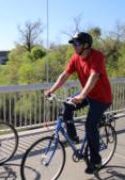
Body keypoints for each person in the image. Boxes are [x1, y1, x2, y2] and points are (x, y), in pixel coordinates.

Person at [45, 32, 112, 174]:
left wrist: (82, 95)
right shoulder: (76, 58)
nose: (74, 47)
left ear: (86, 45)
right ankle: (74, 137)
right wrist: (51, 90)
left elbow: (94, 76)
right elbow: (64, 75)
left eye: (76, 44)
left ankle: (96, 161)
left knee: (90, 125)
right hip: (88, 95)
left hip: (102, 98)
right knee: (67, 105)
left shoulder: (97, 56)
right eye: (73, 44)